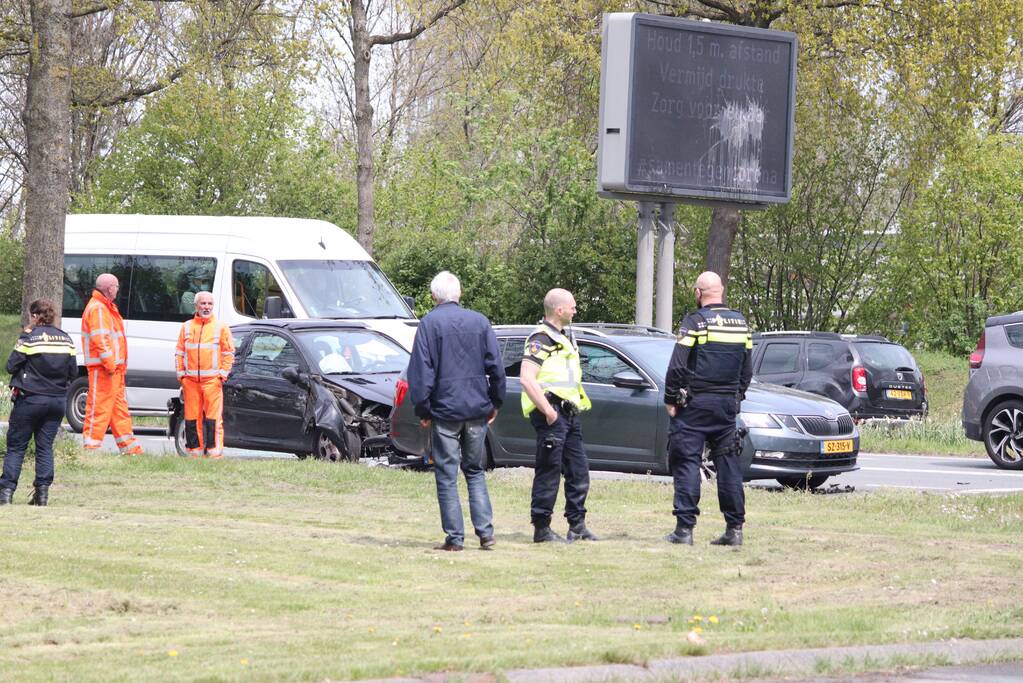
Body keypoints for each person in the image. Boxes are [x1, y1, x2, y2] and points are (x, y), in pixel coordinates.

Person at [407, 271, 505, 552]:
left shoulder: (429, 324)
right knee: (474, 471)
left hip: (445, 411)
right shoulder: (480, 321)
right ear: (458, 293)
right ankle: (486, 534)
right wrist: (495, 403)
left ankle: (455, 538)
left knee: (447, 474)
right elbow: (496, 368)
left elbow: (421, 372)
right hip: (476, 409)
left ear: (434, 296)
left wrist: (423, 409)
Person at [663, 271, 753, 546]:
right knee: (728, 465)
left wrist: (670, 398)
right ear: (722, 290)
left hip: (696, 405)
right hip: (726, 407)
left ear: (697, 293)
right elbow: (747, 368)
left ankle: (684, 530)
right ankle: (734, 530)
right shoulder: (740, 323)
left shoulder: (696, 322)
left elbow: (678, 365)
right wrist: (737, 395)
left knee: (687, 462)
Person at [520, 288, 599, 543]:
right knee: (549, 470)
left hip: (569, 413)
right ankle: (541, 528)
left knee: (578, 470)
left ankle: (577, 525)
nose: (576, 310)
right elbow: (526, 378)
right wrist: (548, 412)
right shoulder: (540, 339)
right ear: (559, 310)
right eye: (573, 306)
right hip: (551, 413)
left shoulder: (563, 337)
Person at [0, 300, 78, 506]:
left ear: (34, 316)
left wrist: (24, 334)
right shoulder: (66, 339)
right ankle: (42, 495)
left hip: (30, 399)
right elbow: (73, 372)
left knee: (16, 447)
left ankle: (6, 493)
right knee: (45, 447)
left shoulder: (29, 338)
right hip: (56, 401)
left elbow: (10, 366)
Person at [81, 273, 143, 455]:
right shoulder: (99, 308)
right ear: (109, 288)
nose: (117, 290)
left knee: (119, 411)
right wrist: (110, 364)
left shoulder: (104, 307)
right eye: (116, 287)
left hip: (112, 370)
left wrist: (114, 366)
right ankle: (91, 449)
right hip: (104, 370)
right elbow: (101, 339)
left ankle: (130, 449)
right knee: (99, 409)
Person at [175, 291, 235, 458]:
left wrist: (222, 375)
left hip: (212, 382)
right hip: (191, 382)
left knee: (213, 419)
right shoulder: (186, 326)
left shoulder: (221, 327)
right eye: (203, 304)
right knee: (191, 419)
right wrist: (181, 376)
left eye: (209, 304)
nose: (206, 307)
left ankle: (213, 452)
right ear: (196, 306)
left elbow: (229, 353)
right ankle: (194, 452)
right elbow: (179, 353)